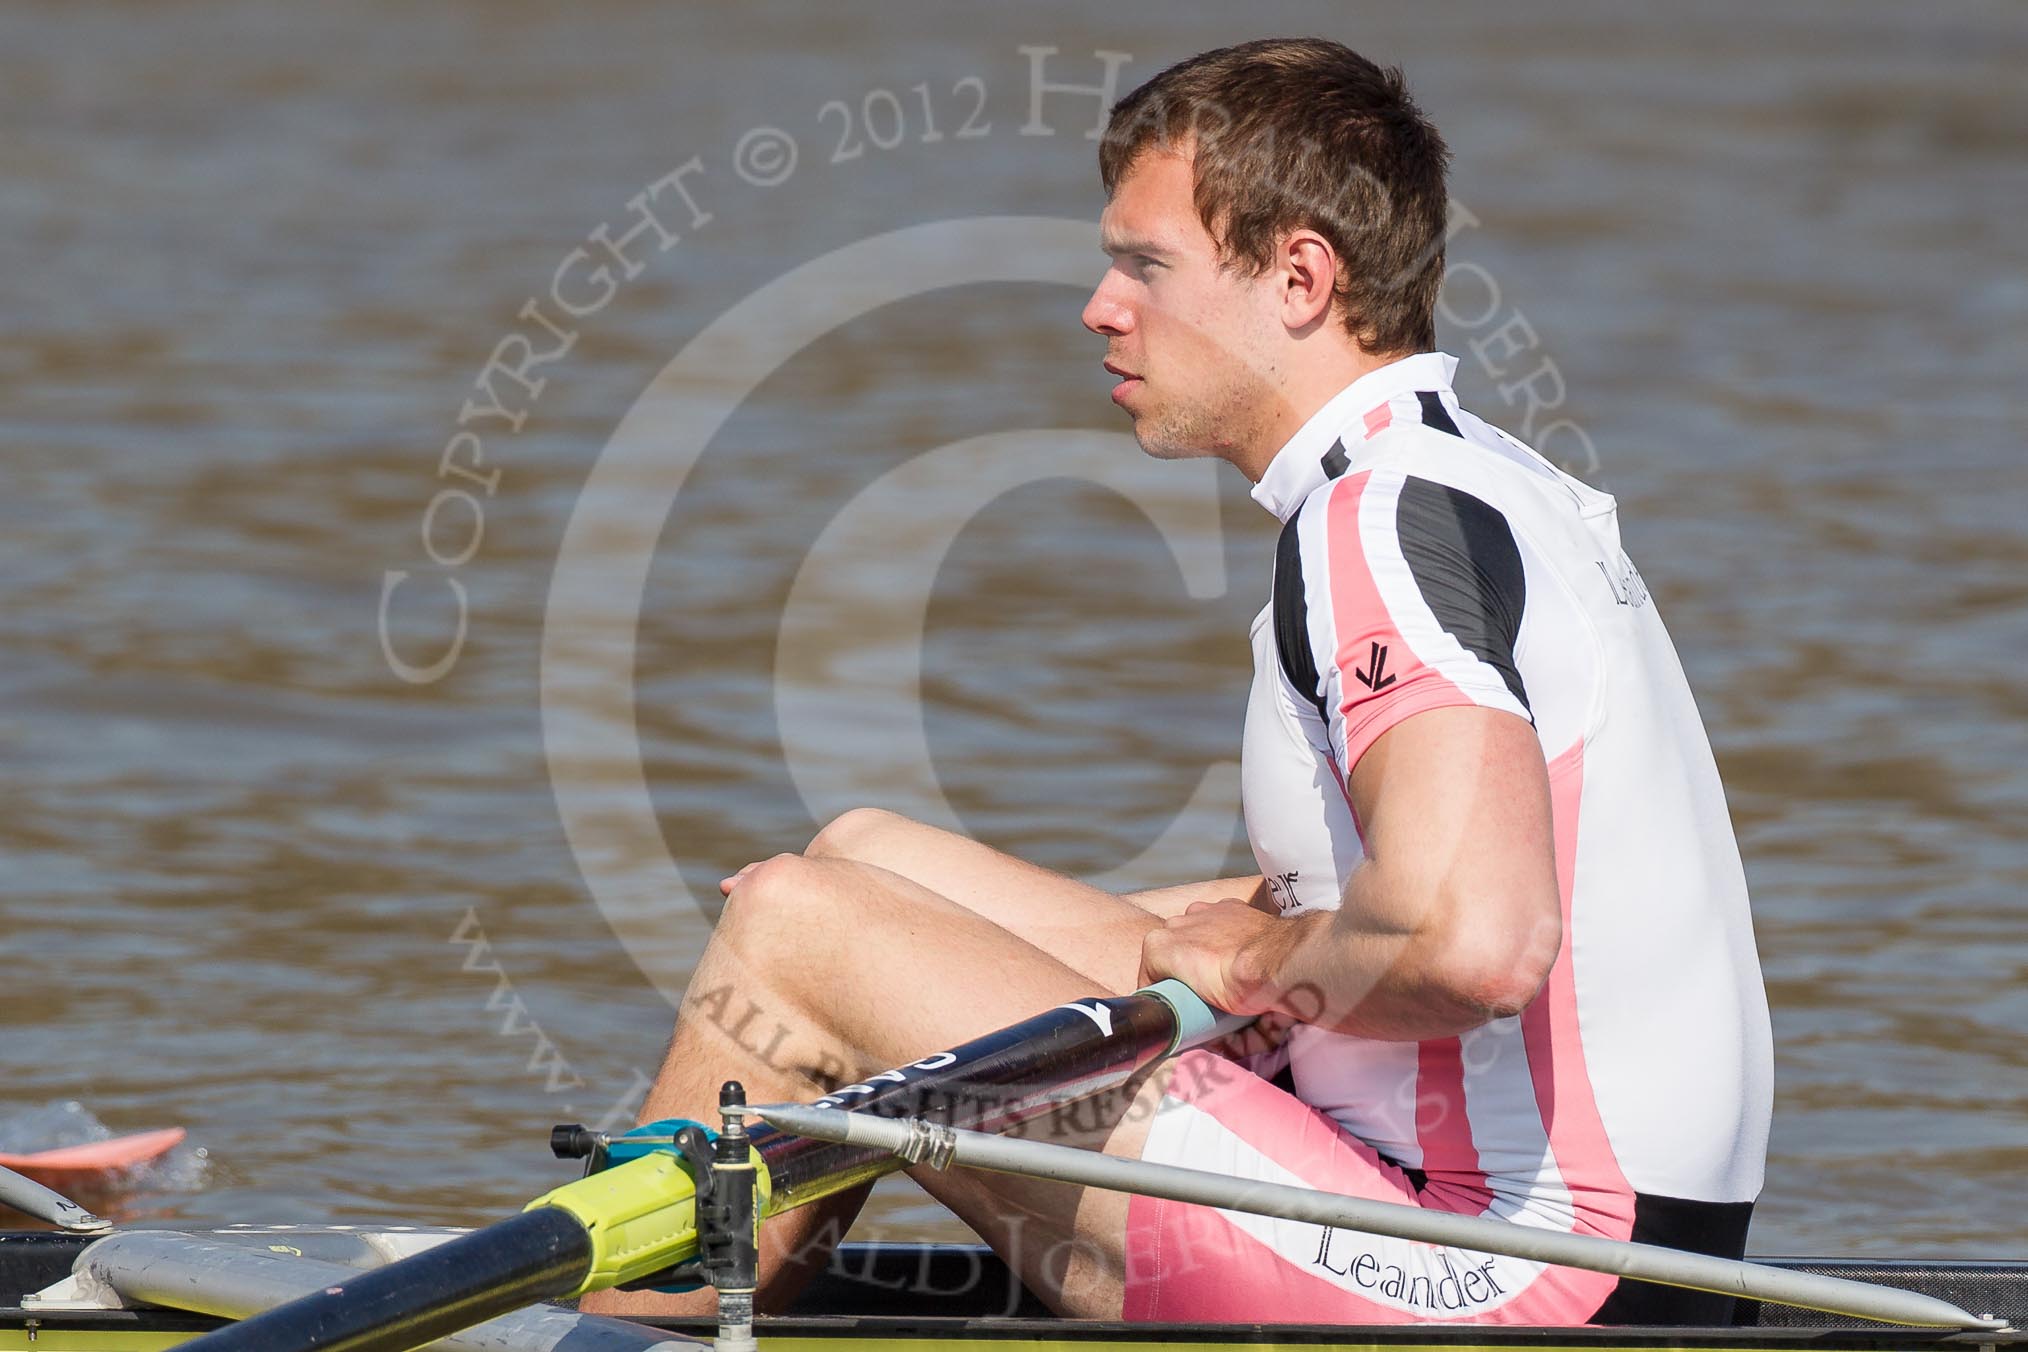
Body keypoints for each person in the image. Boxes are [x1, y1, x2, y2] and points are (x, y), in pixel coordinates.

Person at [586, 37, 1772, 1327]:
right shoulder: (1487, 477)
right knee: (870, 859)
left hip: (1524, 1273)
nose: (1100, 305)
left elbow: (1478, 942)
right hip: (1642, 1250)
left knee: (795, 928)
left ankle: (625, 1322)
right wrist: (1183, 936)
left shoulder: (1372, 526)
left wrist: (1260, 959)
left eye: (1146, 266)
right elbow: (1451, 877)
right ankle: (737, 1282)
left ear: (1301, 278)